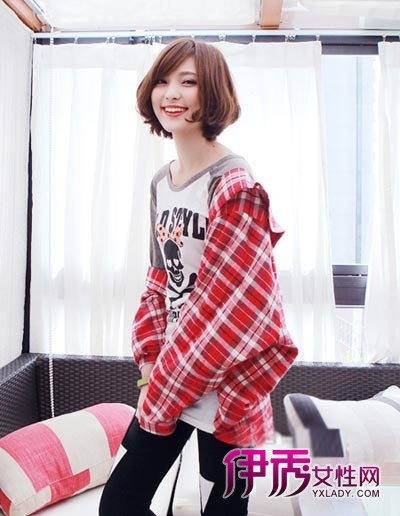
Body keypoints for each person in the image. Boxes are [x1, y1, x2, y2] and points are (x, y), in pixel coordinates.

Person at [99, 37, 298, 516]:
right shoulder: (161, 182)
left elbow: (226, 309)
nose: (171, 93)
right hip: (173, 370)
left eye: (188, 82)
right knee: (120, 503)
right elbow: (158, 279)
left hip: (227, 382)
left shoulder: (235, 185)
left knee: (225, 509)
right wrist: (149, 357)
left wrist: (163, 382)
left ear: (212, 92)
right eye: (163, 80)